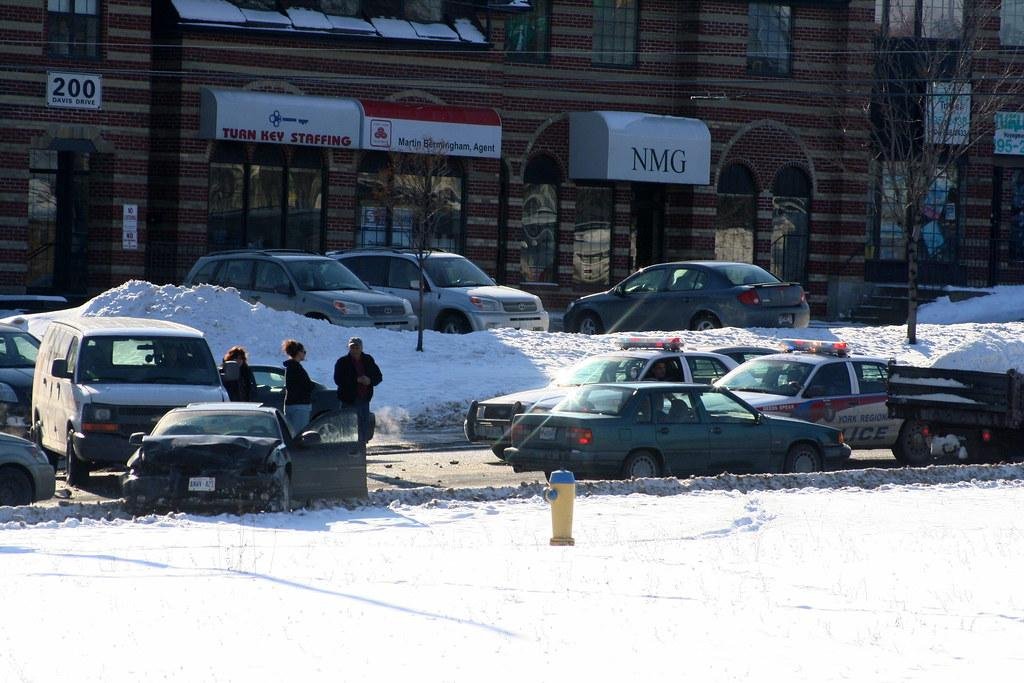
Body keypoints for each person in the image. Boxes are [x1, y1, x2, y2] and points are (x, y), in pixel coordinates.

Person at [334, 336, 382, 443]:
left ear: (361, 348)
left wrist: (369, 380)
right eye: (352, 347)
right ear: (349, 348)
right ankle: (349, 451)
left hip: (364, 399)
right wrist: (356, 380)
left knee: (363, 427)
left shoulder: (368, 359)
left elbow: (378, 377)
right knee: (348, 428)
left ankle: (361, 449)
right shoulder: (342, 362)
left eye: (357, 347)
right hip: (348, 400)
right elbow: (338, 380)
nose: (355, 350)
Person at [282, 339, 314, 434]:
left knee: (291, 433)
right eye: (304, 351)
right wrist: (310, 386)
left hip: (292, 404)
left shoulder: (291, 367)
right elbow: (304, 385)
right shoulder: (296, 368)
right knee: (299, 435)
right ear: (298, 352)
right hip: (299, 406)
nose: (304, 354)